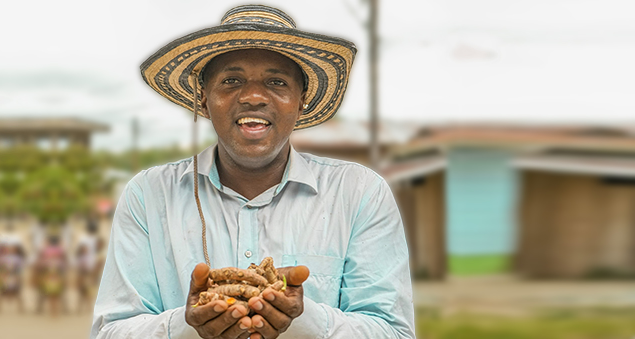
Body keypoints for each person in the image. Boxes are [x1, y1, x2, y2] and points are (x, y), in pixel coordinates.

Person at [92, 5, 414, 339]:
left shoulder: (359, 192)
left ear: (301, 99)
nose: (254, 96)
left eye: (276, 82)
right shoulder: (148, 195)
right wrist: (186, 325)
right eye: (231, 81)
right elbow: (109, 331)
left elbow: (393, 331)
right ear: (203, 99)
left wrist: (305, 318)